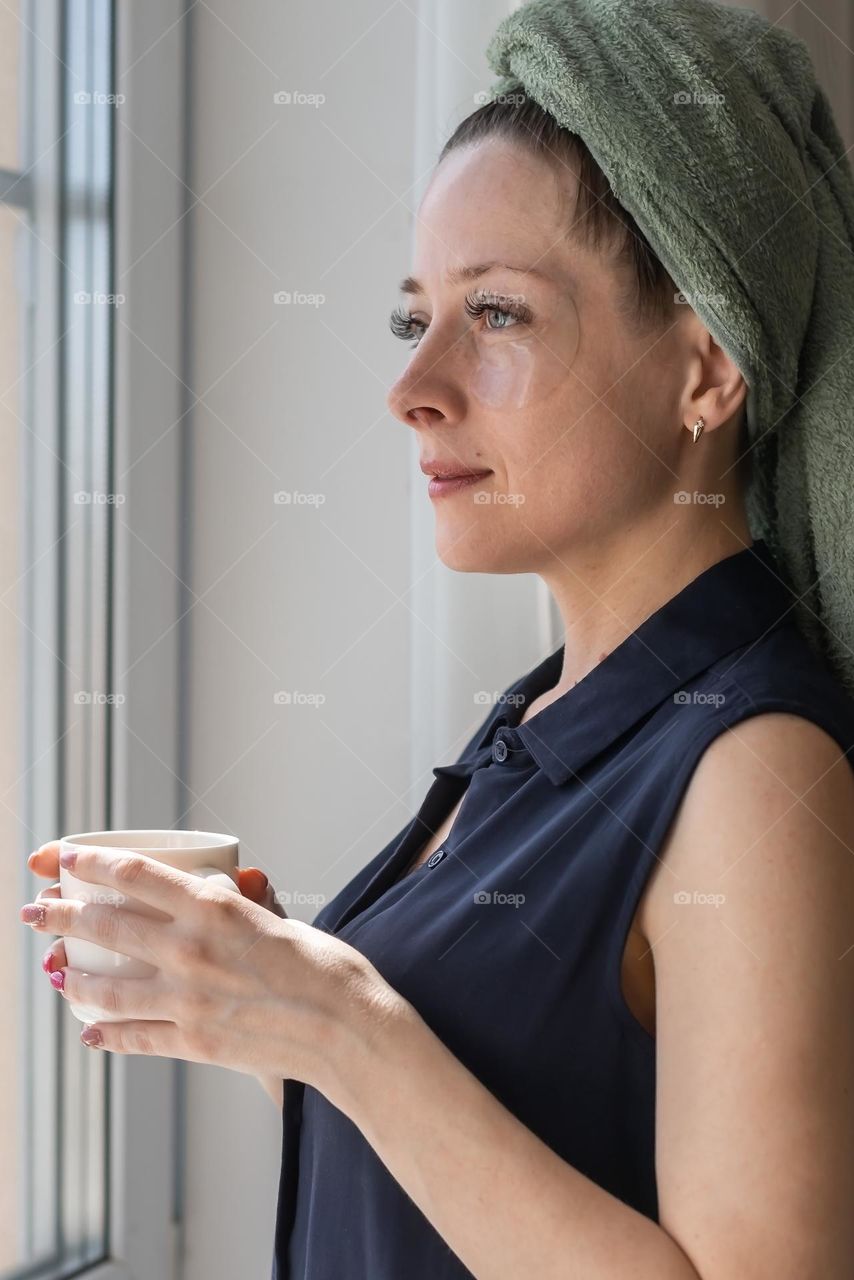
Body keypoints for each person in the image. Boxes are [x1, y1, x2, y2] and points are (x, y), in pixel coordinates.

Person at [20, 2, 854, 1277]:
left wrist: (345, 1020)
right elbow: (516, 1131)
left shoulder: (755, 769)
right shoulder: (543, 717)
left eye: (499, 315)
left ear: (704, 368)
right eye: (416, 318)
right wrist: (264, 1001)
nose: (413, 386)